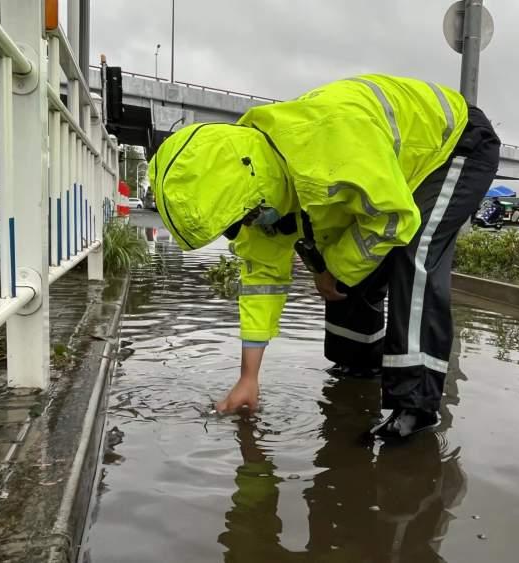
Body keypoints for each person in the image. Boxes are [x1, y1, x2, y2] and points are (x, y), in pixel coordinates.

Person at [149, 74, 500, 439]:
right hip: (391, 173)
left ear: (254, 193)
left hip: (456, 144)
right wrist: (248, 378)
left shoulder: (327, 151)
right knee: (346, 257)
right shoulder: (255, 180)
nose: (250, 224)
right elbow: (261, 281)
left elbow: (394, 217)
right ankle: (358, 365)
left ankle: (415, 405)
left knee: (414, 255)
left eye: (246, 217)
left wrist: (331, 268)